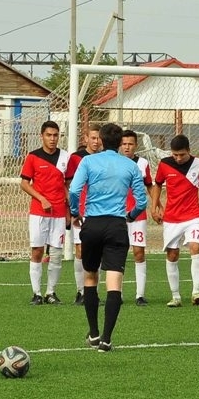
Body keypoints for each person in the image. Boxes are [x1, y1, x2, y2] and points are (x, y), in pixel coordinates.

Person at [69, 123, 147, 352]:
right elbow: (142, 201)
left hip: (92, 224)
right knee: (114, 283)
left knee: (91, 277)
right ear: (120, 142)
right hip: (116, 225)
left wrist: (75, 211)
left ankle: (93, 333)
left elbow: (74, 190)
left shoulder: (88, 161)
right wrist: (130, 216)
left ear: (101, 140)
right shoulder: (130, 165)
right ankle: (106, 339)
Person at [151, 134, 199, 307]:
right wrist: (154, 207)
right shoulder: (164, 164)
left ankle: (196, 292)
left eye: (182, 154)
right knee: (172, 254)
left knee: (195, 246)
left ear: (189, 150)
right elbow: (157, 185)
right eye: (175, 155)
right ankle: (175, 296)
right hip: (171, 218)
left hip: (193, 216)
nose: (178, 158)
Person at [20, 120, 71, 305]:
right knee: (37, 250)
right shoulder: (33, 157)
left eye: (56, 135)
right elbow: (24, 183)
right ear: (42, 136)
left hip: (58, 213)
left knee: (56, 253)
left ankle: (51, 292)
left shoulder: (65, 157)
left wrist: (69, 209)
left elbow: (67, 185)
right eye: (49, 135)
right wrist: (41, 198)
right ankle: (36, 293)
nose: (52, 138)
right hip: (38, 212)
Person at [66, 125, 102, 304]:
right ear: (86, 138)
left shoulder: (104, 158)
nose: (96, 141)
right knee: (80, 250)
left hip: (98, 210)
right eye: (93, 138)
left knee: (97, 252)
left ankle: (94, 292)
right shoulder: (76, 158)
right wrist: (72, 209)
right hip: (80, 211)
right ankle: (81, 292)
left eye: (99, 138)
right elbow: (68, 184)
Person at [120, 129, 154, 306]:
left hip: (138, 216)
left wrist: (157, 205)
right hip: (118, 215)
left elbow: (150, 186)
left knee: (139, 253)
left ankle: (140, 295)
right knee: (118, 253)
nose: (127, 147)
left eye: (130, 144)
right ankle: (117, 293)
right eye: (124, 144)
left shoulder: (143, 163)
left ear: (136, 145)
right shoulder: (114, 162)